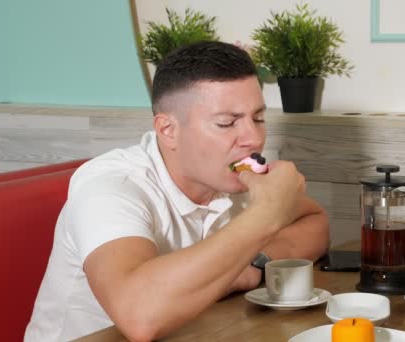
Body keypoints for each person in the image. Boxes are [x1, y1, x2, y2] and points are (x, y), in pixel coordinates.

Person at [24, 41, 329, 342]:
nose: (252, 138)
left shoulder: (231, 176)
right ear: (168, 130)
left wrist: (252, 265)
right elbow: (138, 316)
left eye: (258, 118)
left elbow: (315, 222)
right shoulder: (112, 187)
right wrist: (266, 215)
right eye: (227, 123)